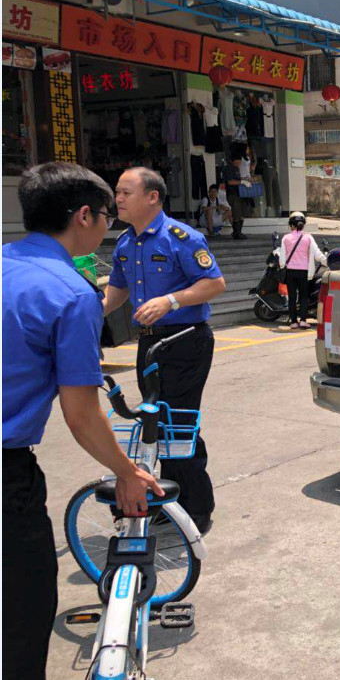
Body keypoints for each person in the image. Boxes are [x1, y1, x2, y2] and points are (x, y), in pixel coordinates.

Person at [3, 162, 163, 679]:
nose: (109, 228)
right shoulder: (71, 293)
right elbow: (81, 414)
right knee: (21, 613)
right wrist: (126, 471)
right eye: (107, 217)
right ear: (84, 216)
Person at [102, 167, 226, 535]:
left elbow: (214, 283)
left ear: (152, 197)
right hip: (149, 342)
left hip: (185, 340)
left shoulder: (180, 237)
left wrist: (171, 300)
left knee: (178, 425)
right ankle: (168, 501)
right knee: (155, 423)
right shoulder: (126, 243)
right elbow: (117, 291)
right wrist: (88, 315)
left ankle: (196, 507)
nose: (117, 199)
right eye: (117, 192)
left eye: (125, 192)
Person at [276, 211, 327, 329]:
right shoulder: (308, 237)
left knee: (292, 297)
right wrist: (328, 262)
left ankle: (294, 322)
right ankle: (303, 320)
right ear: (303, 225)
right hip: (304, 272)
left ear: (291, 225)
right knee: (304, 296)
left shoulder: (286, 238)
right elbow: (318, 255)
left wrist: (283, 266)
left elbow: (282, 260)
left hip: (290, 272)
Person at [224, 151, 246, 240]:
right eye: (236, 163)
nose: (238, 164)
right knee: (236, 214)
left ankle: (238, 232)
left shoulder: (237, 169)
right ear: (232, 161)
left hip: (239, 194)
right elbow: (230, 182)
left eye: (239, 162)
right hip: (232, 194)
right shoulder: (229, 169)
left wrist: (245, 180)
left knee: (241, 214)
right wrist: (242, 182)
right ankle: (237, 233)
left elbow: (237, 180)